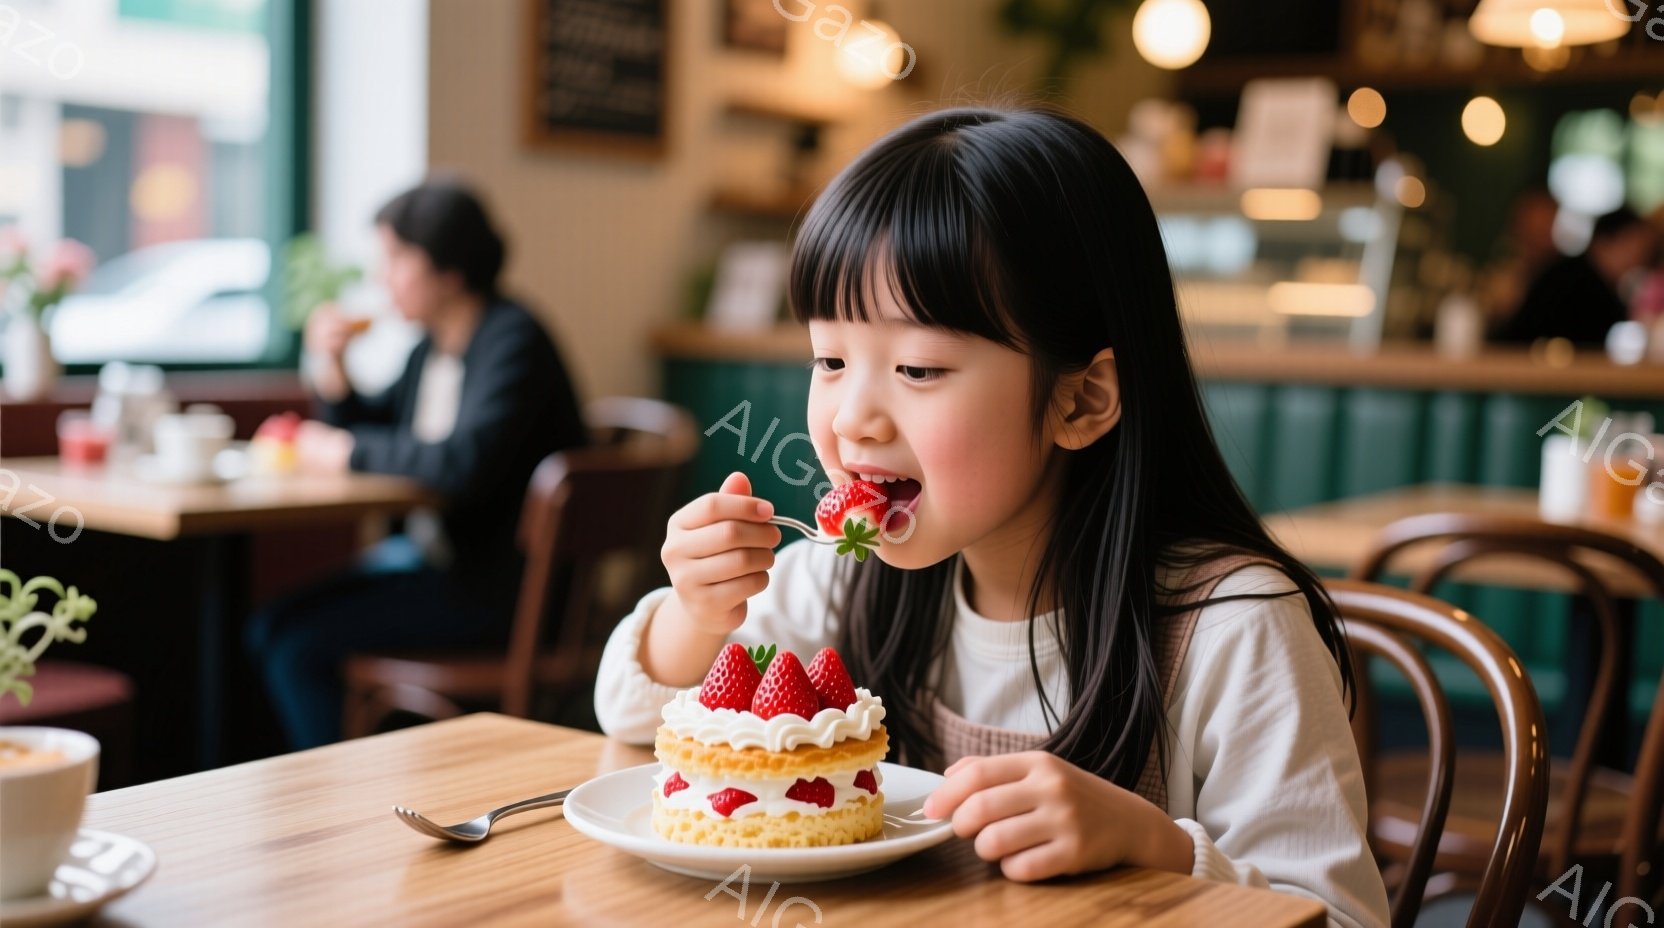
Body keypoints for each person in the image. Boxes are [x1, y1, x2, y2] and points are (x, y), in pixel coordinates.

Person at [592, 106, 1389, 927]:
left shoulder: (1232, 629)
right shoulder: (841, 580)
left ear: (1080, 400)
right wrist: (696, 615)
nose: (853, 418)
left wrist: (1161, 848)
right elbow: (630, 717)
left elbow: (1343, 917)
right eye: (829, 359)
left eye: (918, 367)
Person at [247, 179, 588, 749]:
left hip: (500, 591)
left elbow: (462, 463)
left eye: (398, 258)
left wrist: (346, 451)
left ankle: (332, 803)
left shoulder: (513, 341)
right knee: (269, 624)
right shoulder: (430, 348)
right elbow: (378, 426)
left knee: (296, 645)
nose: (384, 277)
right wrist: (332, 369)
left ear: (450, 271)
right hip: (437, 565)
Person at [1498, 206, 1658, 346]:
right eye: (1633, 246)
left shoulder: (1571, 272)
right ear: (1605, 241)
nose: (1639, 258)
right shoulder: (1581, 284)